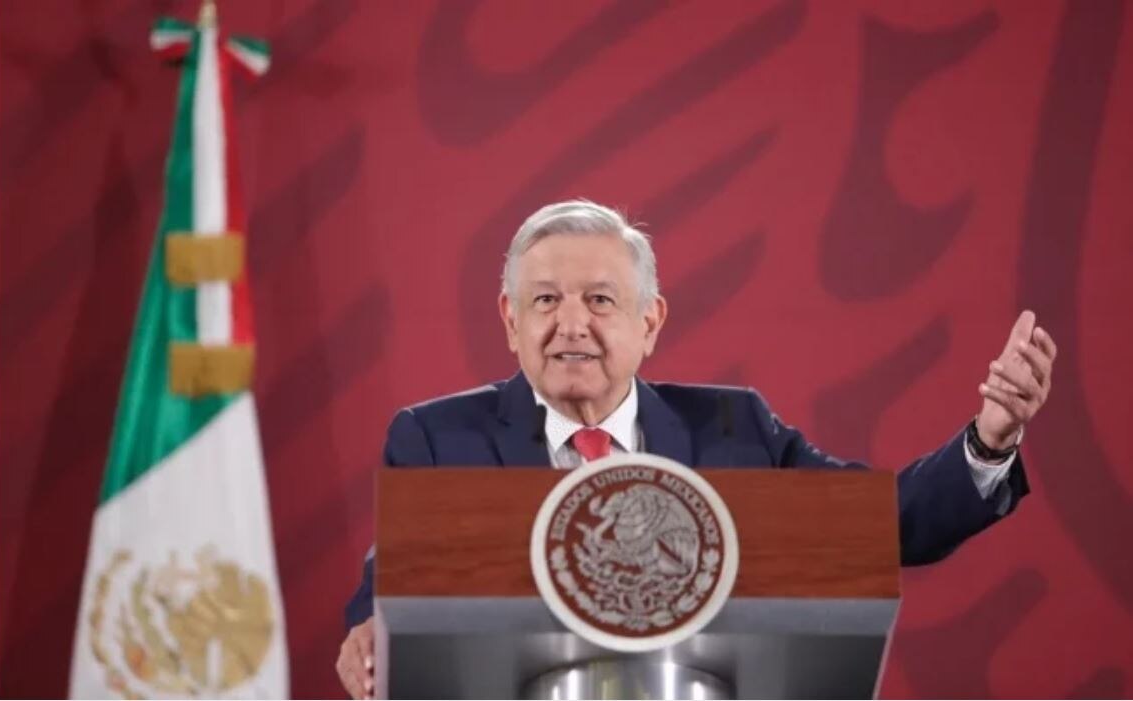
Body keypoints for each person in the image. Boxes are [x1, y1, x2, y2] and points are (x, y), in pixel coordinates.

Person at [335, 200, 1057, 699]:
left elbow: (884, 523)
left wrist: (989, 438)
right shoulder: (434, 438)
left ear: (650, 322)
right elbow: (389, 584)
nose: (571, 324)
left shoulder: (734, 429)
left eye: (601, 300)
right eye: (546, 300)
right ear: (510, 319)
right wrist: (368, 631)